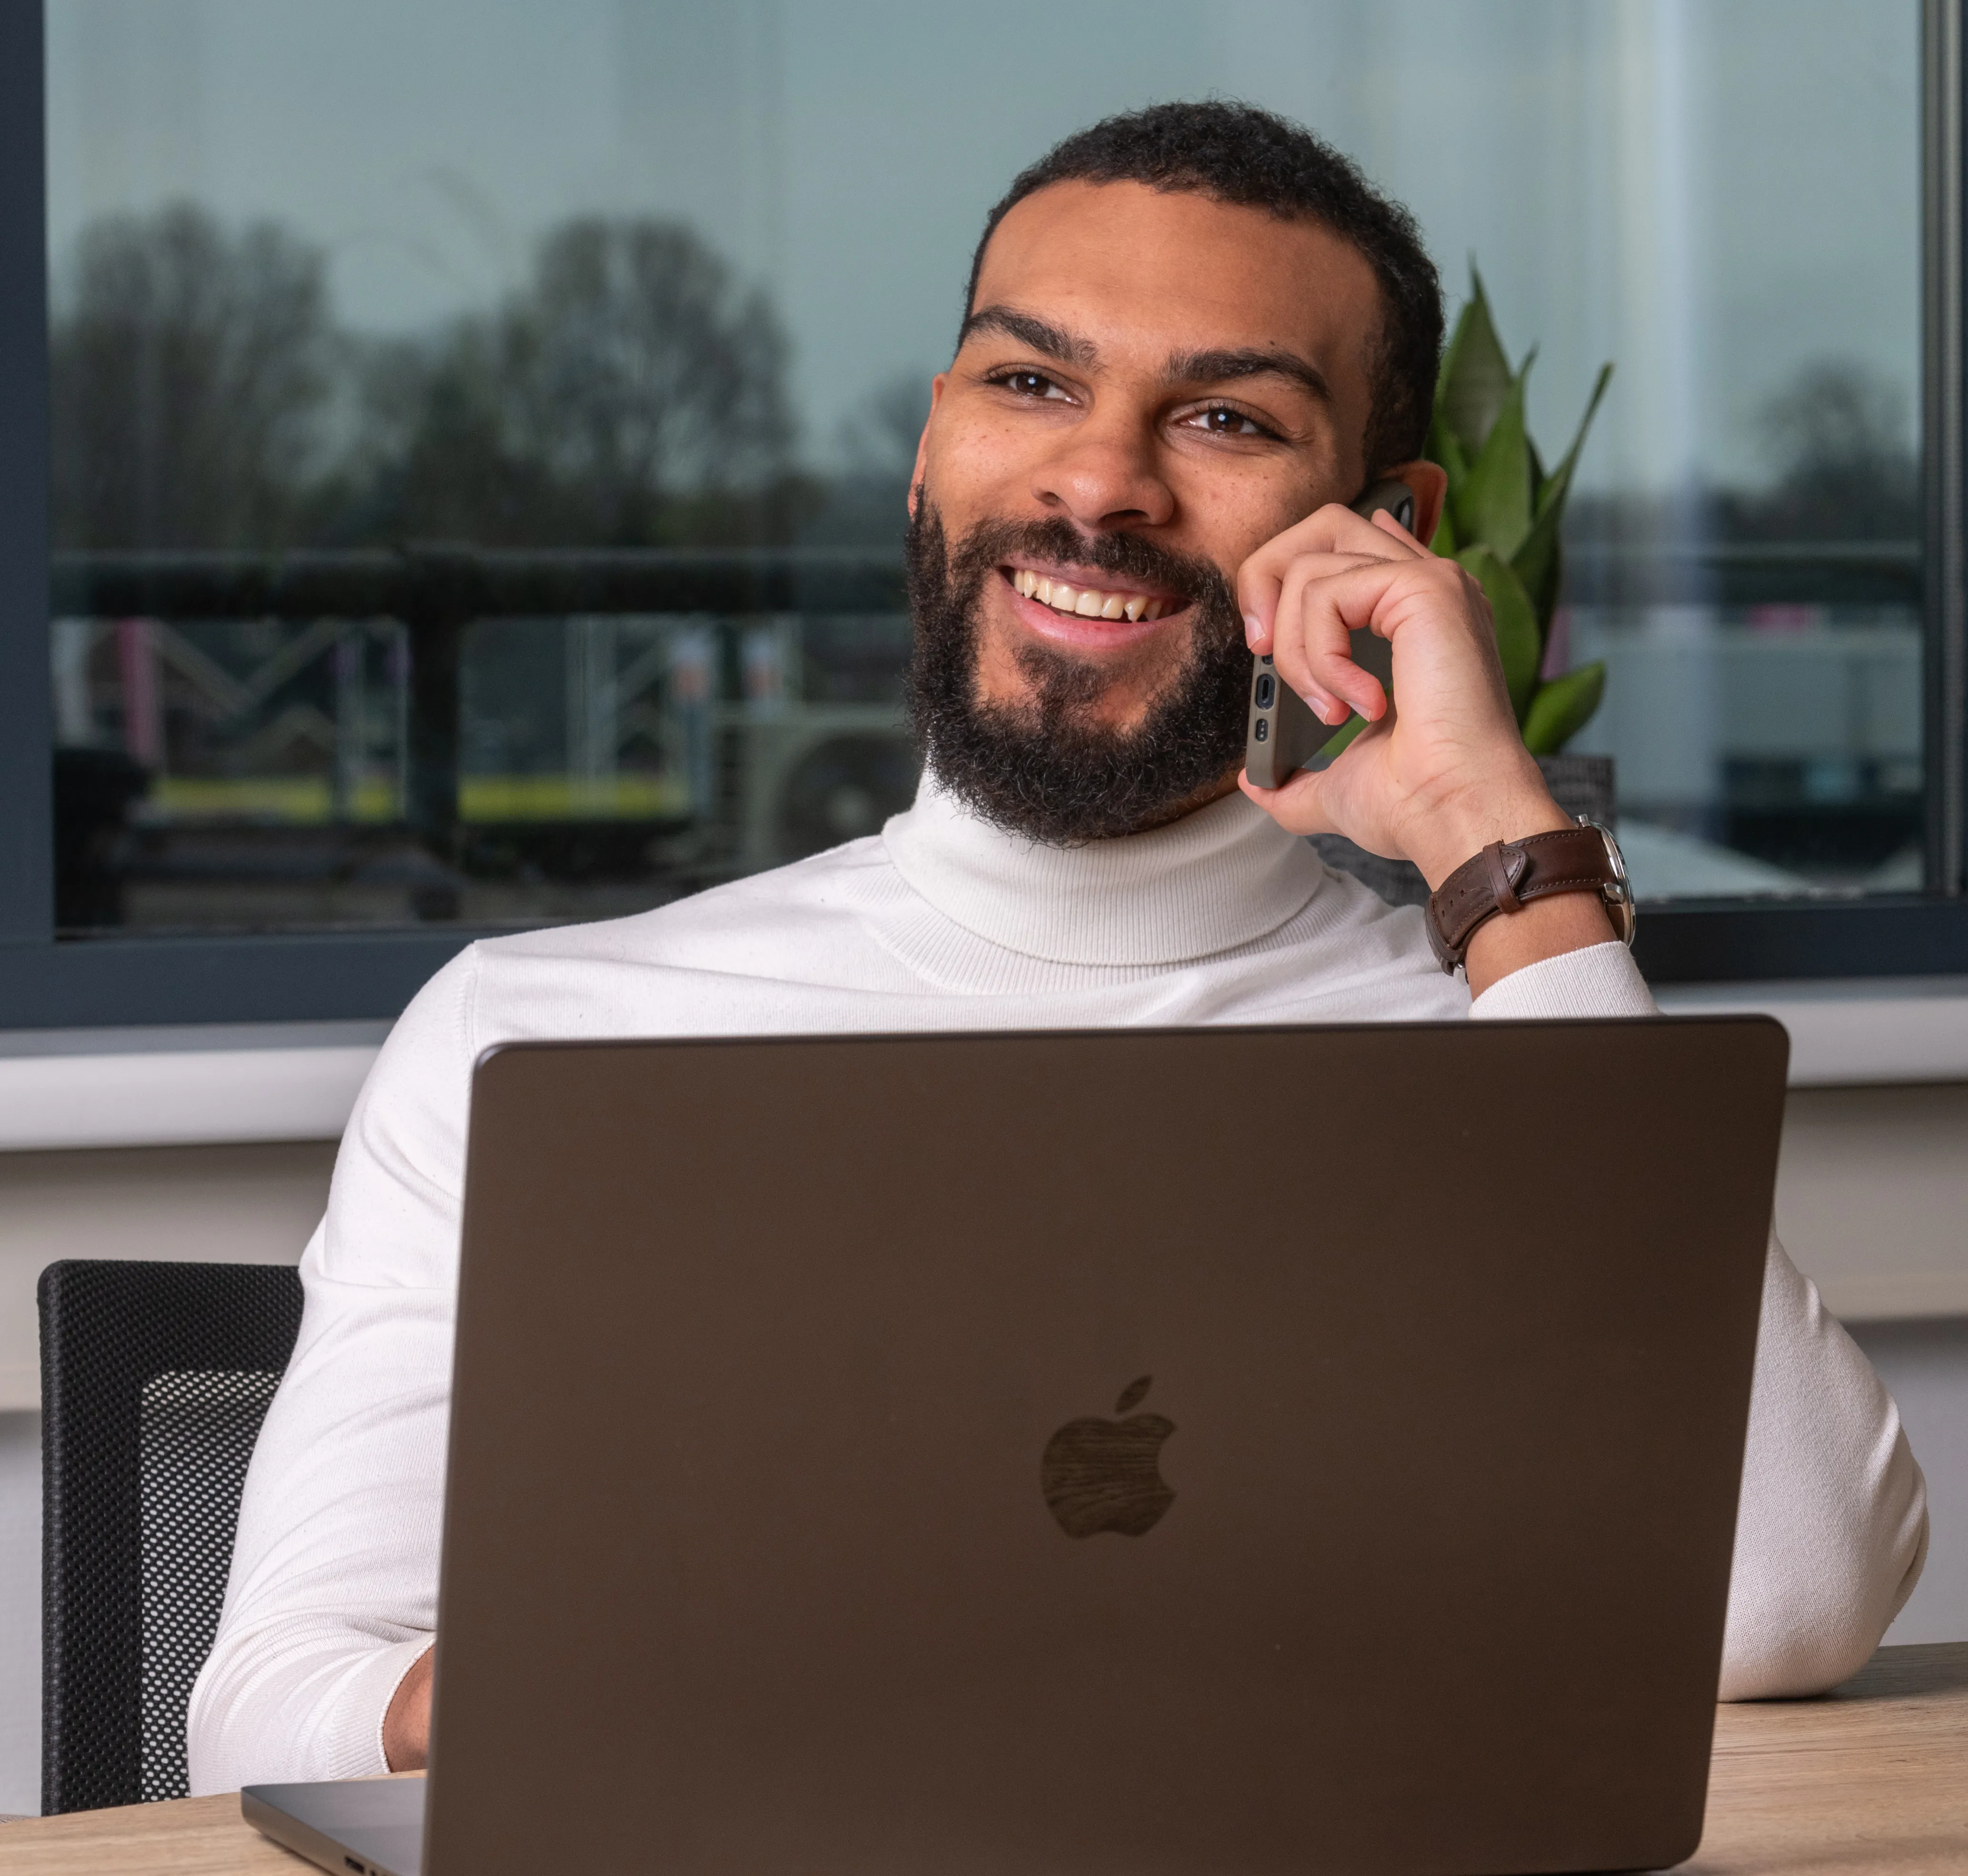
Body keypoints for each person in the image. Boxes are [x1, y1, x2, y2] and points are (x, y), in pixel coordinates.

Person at [188, 100, 1928, 1791]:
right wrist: (671, 1666)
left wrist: (1497, 843)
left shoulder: (1512, 1064)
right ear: (929, 446)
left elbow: (1783, 1598)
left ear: (1380, 532)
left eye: (1225, 418)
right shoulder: (531, 1035)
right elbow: (273, 1710)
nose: (1097, 482)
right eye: (1028, 383)